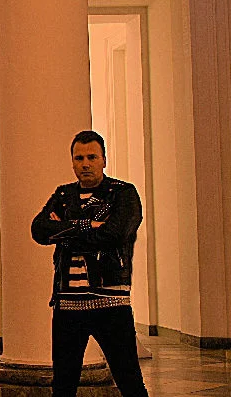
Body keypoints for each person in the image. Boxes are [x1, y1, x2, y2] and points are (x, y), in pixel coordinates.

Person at [32, 131, 148, 397]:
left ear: (104, 160)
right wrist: (88, 225)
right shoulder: (63, 195)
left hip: (111, 302)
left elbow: (115, 234)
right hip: (67, 304)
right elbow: (39, 230)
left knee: (129, 380)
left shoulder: (123, 194)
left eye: (92, 157)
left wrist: (64, 230)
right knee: (63, 384)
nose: (85, 164)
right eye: (79, 158)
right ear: (72, 162)